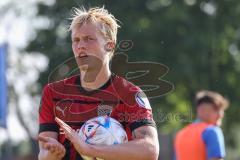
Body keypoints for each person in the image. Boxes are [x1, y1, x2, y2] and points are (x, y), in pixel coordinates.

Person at [38, 6, 159, 160]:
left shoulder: (130, 94)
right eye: (76, 40)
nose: (81, 45)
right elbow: (44, 154)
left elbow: (150, 149)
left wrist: (89, 150)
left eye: (89, 39)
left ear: (110, 45)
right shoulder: (53, 93)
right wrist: (52, 153)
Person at [174, 90, 229, 160]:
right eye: (216, 109)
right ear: (201, 110)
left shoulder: (181, 134)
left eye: (221, 110)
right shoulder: (212, 131)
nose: (221, 114)